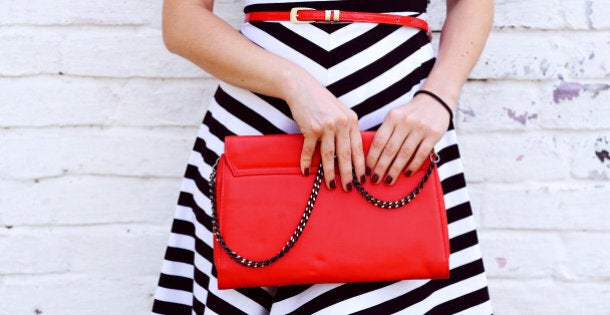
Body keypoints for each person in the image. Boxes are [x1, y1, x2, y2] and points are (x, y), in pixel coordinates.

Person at [152, 0, 493, 313]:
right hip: (261, 116)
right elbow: (183, 22)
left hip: (401, 127)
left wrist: (439, 98)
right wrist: (294, 83)